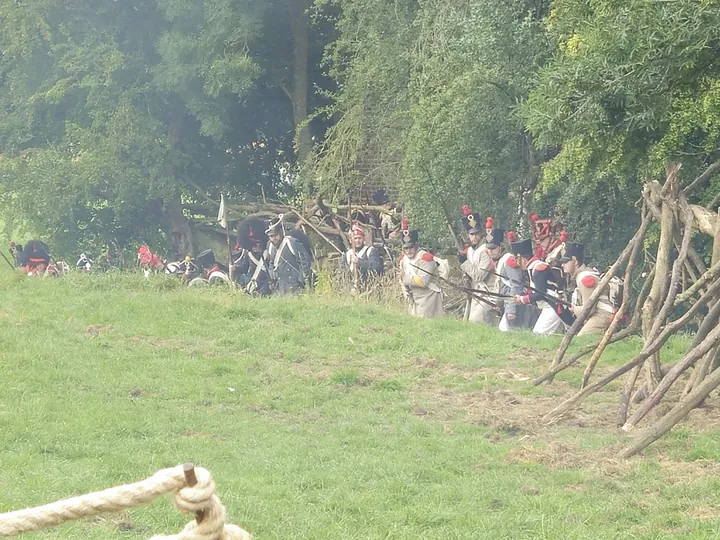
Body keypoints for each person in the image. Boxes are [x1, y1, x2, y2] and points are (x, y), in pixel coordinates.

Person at [511, 237, 568, 335]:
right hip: (549, 305)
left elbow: (540, 294)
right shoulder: (533, 268)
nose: (516, 262)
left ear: (523, 259)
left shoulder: (538, 269)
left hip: (553, 306)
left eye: (517, 259)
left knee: (538, 334)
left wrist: (522, 299)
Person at [559, 242, 613, 336]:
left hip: (602, 315)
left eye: (565, 262)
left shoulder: (585, 278)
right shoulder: (583, 275)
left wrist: (575, 309)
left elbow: (589, 309)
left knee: (580, 341)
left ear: (575, 261)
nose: (562, 265)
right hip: (600, 314)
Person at [486, 230, 534, 331]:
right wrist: (498, 303)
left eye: (493, 248)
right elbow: (501, 286)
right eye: (489, 248)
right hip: (507, 303)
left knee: (508, 331)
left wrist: (511, 309)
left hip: (515, 305)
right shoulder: (499, 262)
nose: (490, 251)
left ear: (501, 247)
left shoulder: (508, 261)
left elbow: (516, 286)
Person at [458, 208, 497, 324]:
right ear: (468, 235)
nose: (474, 237)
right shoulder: (469, 250)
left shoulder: (486, 250)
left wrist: (464, 263)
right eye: (471, 234)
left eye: (476, 234)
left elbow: (479, 276)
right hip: (474, 292)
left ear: (481, 233)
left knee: (476, 322)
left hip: (487, 293)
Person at [398, 220, 443, 318]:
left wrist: (405, 278)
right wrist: (406, 292)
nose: (408, 250)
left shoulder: (425, 257)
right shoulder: (403, 260)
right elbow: (401, 279)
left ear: (416, 245)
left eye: (411, 247)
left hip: (428, 295)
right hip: (413, 297)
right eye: (406, 248)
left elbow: (423, 282)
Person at [265, 215, 312, 295]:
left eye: (276, 235)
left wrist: (301, 280)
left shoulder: (292, 242)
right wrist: (271, 273)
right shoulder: (269, 246)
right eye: (271, 236)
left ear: (281, 232)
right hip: (279, 286)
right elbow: (271, 262)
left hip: (294, 285)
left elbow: (305, 261)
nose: (274, 238)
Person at [340, 222, 383, 288]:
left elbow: (376, 267)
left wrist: (359, 262)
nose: (357, 241)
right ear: (351, 240)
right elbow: (342, 273)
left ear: (363, 239)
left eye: (359, 238)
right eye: (355, 238)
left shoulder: (370, 251)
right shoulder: (347, 254)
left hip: (368, 288)